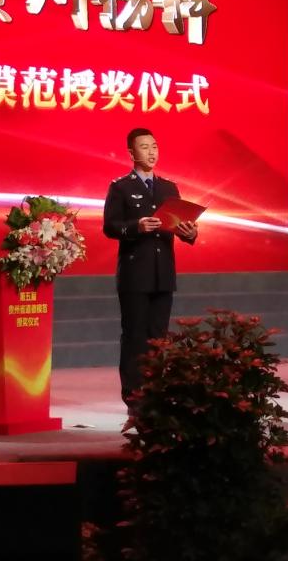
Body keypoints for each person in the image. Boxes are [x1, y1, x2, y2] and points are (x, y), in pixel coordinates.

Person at [103, 128, 198, 409]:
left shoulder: (169, 188)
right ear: (131, 153)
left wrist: (190, 232)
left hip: (163, 273)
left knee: (159, 337)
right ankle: (134, 399)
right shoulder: (120, 187)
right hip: (135, 274)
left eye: (154, 146)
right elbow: (110, 226)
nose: (151, 152)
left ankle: (157, 395)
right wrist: (137, 226)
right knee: (135, 337)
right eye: (144, 147)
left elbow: (180, 226)